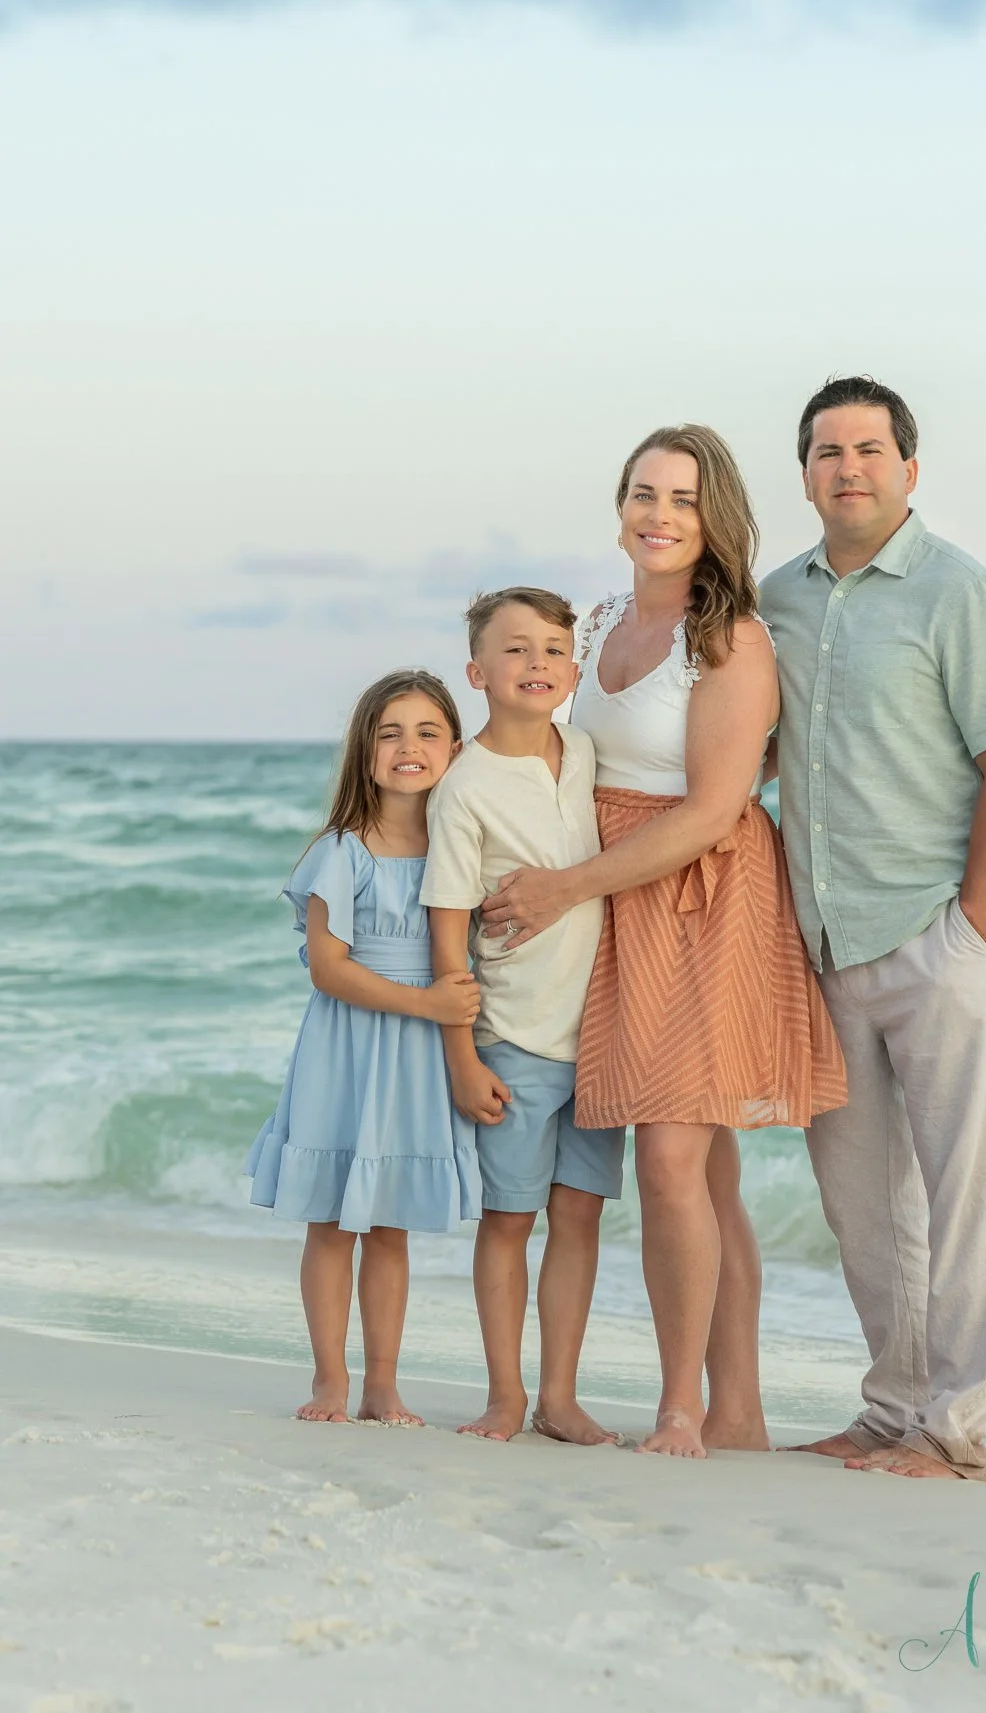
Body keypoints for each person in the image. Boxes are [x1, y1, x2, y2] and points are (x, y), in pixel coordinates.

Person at [479, 426, 846, 1459]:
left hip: (698, 895)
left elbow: (711, 808)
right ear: (620, 505)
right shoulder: (589, 627)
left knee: (673, 1154)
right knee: (706, 1169)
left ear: (713, 516)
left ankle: (678, 1406)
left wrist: (562, 885)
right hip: (603, 896)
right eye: (643, 492)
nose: (658, 513)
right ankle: (739, 1408)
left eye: (682, 498)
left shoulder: (729, 638)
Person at [760, 375, 986, 1481]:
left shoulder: (958, 593)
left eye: (870, 448)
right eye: (827, 450)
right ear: (804, 474)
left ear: (908, 467)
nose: (848, 467)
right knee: (862, 1203)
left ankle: (953, 1423)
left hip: (933, 938)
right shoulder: (775, 598)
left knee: (965, 1189)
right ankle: (891, 1405)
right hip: (824, 943)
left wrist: (970, 922)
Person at [246, 670, 483, 1426]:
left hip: (416, 1057)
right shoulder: (343, 851)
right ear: (365, 751)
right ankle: (330, 1381)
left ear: (454, 746)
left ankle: (383, 1384)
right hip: (347, 1047)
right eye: (390, 733)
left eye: (426, 733)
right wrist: (429, 1004)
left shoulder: (462, 844)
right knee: (330, 1219)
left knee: (388, 1224)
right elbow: (328, 967)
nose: (408, 748)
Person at [421, 588, 625, 1446]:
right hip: (515, 1038)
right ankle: (505, 1395)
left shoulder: (583, 752)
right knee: (510, 1219)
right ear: (477, 672)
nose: (536, 663)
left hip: (604, 1034)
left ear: (574, 670)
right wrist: (463, 1058)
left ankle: (560, 1396)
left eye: (552, 649)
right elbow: (447, 940)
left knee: (580, 1217)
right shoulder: (464, 787)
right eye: (515, 649)